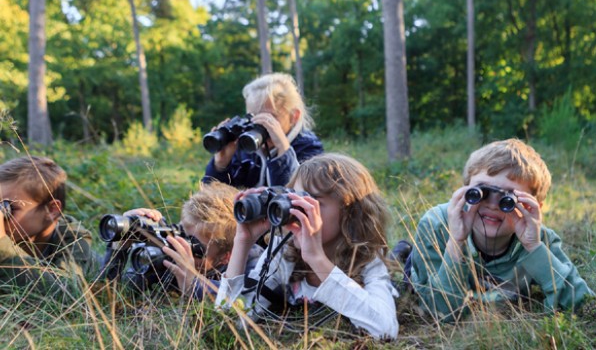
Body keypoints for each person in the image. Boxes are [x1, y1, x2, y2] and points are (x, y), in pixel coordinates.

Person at [215, 153, 399, 339]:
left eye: (314, 202)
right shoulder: (284, 253)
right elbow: (228, 323)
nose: (299, 209)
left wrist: (316, 259)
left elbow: (384, 330)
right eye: (295, 198)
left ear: (350, 214)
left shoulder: (368, 262)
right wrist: (242, 243)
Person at [409, 139, 594, 322]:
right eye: (482, 192)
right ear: (466, 190)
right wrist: (456, 242)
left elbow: (584, 306)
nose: (492, 205)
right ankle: (404, 253)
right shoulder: (437, 225)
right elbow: (439, 312)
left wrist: (534, 247)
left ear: (533, 207)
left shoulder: (539, 240)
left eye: (508, 199)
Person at [104, 181, 262, 299]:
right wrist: (120, 246)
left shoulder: (253, 262)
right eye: (179, 232)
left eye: (195, 247)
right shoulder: (169, 254)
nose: (181, 247)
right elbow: (112, 293)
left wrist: (193, 285)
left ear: (226, 257)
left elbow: (240, 304)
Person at [202, 73, 323, 188]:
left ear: (294, 116)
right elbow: (211, 201)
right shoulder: (245, 146)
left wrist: (283, 151)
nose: (260, 124)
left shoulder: (310, 150)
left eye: (269, 118)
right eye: (253, 117)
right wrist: (220, 166)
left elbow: (298, 199)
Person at [0, 156, 98, 297]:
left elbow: (68, 294)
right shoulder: (14, 234)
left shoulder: (75, 238)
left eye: (8, 208)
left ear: (51, 210)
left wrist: (2, 246)